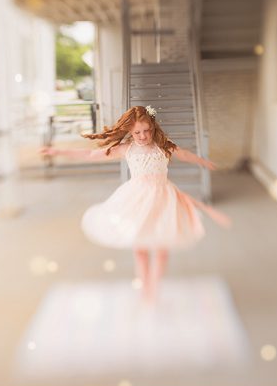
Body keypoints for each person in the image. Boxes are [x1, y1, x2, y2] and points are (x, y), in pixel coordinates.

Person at [40, 105, 231, 302]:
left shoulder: (164, 146)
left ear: (153, 128)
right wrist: (57, 151)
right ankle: (144, 287)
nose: (142, 136)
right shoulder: (127, 149)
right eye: (137, 132)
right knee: (140, 248)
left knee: (161, 246)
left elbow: (183, 154)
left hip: (163, 198)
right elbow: (90, 155)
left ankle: (153, 288)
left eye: (147, 130)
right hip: (137, 199)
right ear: (130, 132)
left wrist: (202, 161)